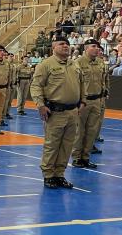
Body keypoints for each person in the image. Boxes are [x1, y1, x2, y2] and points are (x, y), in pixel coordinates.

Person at [31, 34, 85, 189]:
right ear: (53, 47)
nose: (66, 46)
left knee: (67, 145)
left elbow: (81, 84)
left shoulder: (74, 65)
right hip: (55, 112)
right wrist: (40, 105)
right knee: (52, 145)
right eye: (62, 44)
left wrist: (83, 101)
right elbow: (36, 86)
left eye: (67, 44)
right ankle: (48, 175)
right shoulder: (46, 65)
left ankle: (59, 174)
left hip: (72, 112)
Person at [72, 39, 108, 169]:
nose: (97, 49)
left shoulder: (100, 63)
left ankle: (86, 157)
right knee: (79, 131)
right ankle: (77, 157)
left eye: (98, 47)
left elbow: (104, 80)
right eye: (94, 46)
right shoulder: (78, 63)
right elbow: (74, 83)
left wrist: (104, 94)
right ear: (86, 48)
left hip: (97, 101)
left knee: (92, 131)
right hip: (83, 102)